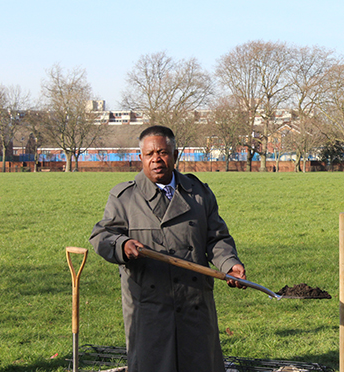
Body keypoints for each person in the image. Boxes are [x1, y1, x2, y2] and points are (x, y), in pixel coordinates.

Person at [90, 125, 246, 372]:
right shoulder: (125, 198)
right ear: (140, 157)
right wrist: (122, 245)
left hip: (194, 303)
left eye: (162, 152)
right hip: (149, 307)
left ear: (175, 155)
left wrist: (230, 264)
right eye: (149, 154)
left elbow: (216, 239)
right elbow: (101, 236)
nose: (156, 160)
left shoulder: (199, 194)